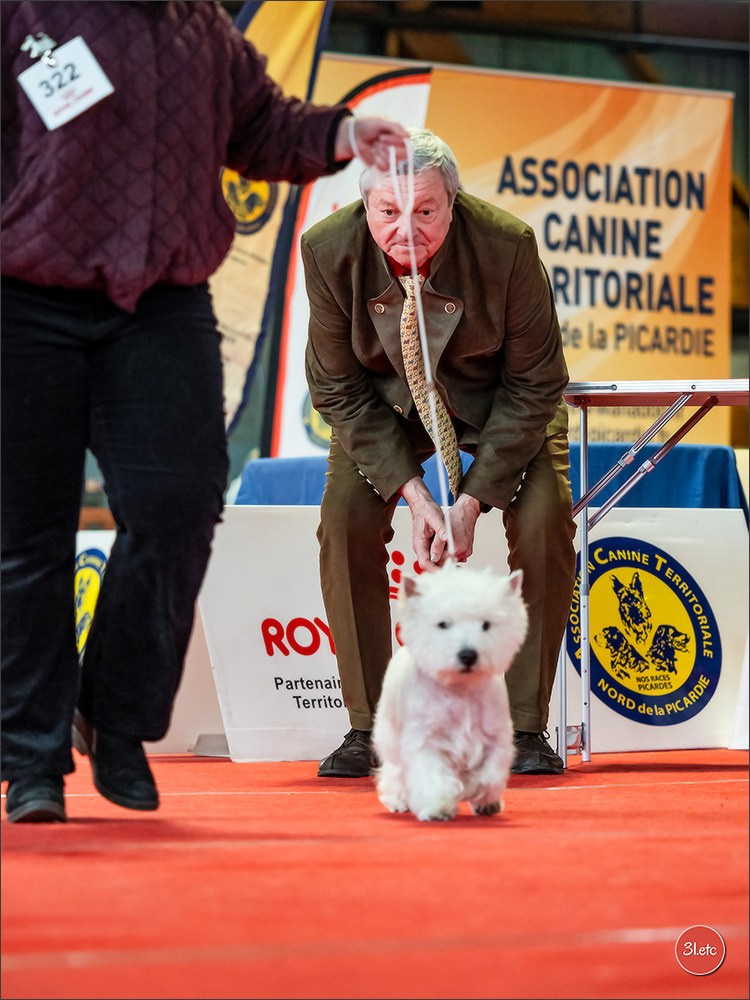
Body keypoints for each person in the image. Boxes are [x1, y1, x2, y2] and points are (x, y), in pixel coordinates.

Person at [1, 0, 408, 823]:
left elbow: (259, 126)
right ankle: (31, 757)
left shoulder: (204, 30)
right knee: (25, 537)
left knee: (180, 506)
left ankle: (116, 719)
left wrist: (341, 135)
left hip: (163, 304)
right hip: (23, 297)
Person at [302, 128, 577, 779]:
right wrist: (418, 495)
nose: (406, 230)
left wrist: (472, 501)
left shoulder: (507, 246)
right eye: (388, 213)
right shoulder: (327, 250)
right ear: (365, 206)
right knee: (343, 521)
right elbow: (337, 389)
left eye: (425, 211)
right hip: (387, 410)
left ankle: (525, 727)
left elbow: (536, 382)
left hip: (501, 406)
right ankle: (369, 727)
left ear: (452, 202)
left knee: (544, 518)